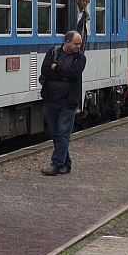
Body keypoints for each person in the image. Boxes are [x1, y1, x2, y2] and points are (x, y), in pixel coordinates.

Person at [39, 30, 86, 176]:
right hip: (50, 101)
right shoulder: (53, 53)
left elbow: (74, 74)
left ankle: (56, 165)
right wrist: (63, 75)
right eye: (76, 43)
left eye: (80, 43)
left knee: (62, 133)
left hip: (68, 102)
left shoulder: (80, 58)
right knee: (55, 134)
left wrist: (57, 68)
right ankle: (66, 163)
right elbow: (45, 70)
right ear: (67, 42)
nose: (79, 46)